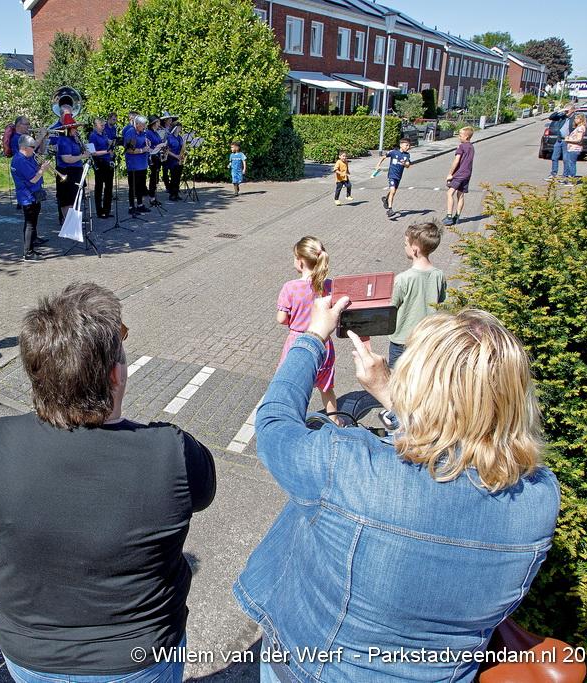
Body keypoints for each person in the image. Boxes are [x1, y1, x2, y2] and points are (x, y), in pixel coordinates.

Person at [235, 296, 559, 683]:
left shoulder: (350, 467)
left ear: (417, 382)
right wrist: (388, 395)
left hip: (311, 667)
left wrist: (313, 337)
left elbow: (274, 424)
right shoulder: (539, 498)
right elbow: (457, 444)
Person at [0, 282, 216, 681]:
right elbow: (203, 494)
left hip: (31, 657)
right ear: (116, 374)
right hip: (141, 658)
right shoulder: (173, 452)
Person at [276, 236, 336, 417]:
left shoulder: (290, 287)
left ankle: (295, 419)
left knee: (294, 385)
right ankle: (335, 419)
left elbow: (281, 318)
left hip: (299, 342)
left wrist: (293, 321)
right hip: (324, 342)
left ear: (300, 261)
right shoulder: (329, 285)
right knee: (326, 387)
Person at [388, 220, 447, 367]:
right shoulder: (439, 275)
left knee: (397, 375)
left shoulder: (403, 279)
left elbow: (392, 306)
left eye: (405, 244)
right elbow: (440, 300)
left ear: (414, 250)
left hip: (402, 340)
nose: (404, 247)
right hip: (426, 338)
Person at [11, 136, 51, 261]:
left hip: (33, 194)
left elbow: (34, 171)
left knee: (33, 223)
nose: (34, 150)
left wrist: (40, 166)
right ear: (24, 148)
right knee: (30, 224)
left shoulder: (27, 158)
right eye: (32, 147)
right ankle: (28, 253)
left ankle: (32, 246)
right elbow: (33, 179)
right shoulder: (20, 161)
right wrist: (42, 170)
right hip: (27, 196)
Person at [54, 119, 91, 222]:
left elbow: (78, 152)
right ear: (68, 129)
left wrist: (81, 144)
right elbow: (67, 159)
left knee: (75, 197)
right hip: (67, 171)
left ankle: (73, 221)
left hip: (76, 171)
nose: (76, 130)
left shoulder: (74, 139)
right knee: (67, 199)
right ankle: (68, 221)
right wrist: (83, 156)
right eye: (74, 128)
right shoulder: (63, 140)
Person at [443, 127, 475, 226]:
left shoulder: (461, 147)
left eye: (460, 135)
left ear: (466, 137)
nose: (459, 137)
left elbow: (456, 161)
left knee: (449, 193)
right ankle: (457, 217)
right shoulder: (471, 147)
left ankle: (449, 217)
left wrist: (450, 174)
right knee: (460, 195)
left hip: (459, 174)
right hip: (467, 174)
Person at [375, 138, 412, 218]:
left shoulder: (407, 155)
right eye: (406, 145)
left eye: (409, 146)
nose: (408, 147)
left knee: (393, 191)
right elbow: (384, 157)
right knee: (392, 191)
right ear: (401, 145)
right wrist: (378, 165)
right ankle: (390, 210)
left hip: (399, 176)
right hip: (392, 175)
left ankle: (386, 199)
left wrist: (404, 163)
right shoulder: (393, 152)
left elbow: (408, 165)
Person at [123, 115, 152, 216]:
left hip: (142, 163)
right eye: (143, 125)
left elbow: (143, 142)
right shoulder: (130, 133)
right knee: (133, 187)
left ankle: (140, 205)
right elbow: (129, 150)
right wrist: (142, 150)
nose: (144, 127)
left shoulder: (142, 132)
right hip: (133, 164)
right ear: (137, 124)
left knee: (141, 186)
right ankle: (131, 207)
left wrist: (147, 143)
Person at [89, 118, 113, 218]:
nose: (103, 127)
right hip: (99, 162)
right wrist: (106, 152)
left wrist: (112, 144)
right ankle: (99, 211)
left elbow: (108, 144)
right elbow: (92, 152)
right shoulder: (93, 136)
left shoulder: (104, 134)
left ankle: (107, 210)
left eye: (104, 125)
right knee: (99, 187)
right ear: (95, 126)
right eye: (101, 125)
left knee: (109, 187)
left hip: (107, 162)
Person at [546, 104, 576, 179]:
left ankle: (565, 175)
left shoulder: (575, 118)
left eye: (568, 110)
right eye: (566, 110)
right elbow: (551, 117)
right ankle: (553, 173)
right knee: (554, 157)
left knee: (566, 159)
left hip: (568, 141)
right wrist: (560, 111)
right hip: (559, 140)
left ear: (573, 110)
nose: (566, 112)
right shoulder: (563, 117)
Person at [145, 116, 165, 208]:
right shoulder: (148, 133)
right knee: (153, 177)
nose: (159, 124)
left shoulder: (156, 132)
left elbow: (159, 142)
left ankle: (154, 197)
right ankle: (152, 197)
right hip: (152, 157)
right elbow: (148, 145)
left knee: (156, 177)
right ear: (153, 123)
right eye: (158, 122)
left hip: (157, 157)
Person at [563, 113, 587, 181]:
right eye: (575, 118)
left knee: (571, 164)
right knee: (568, 163)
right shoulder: (578, 127)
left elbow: (578, 139)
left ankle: (572, 180)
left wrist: (568, 140)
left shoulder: (581, 128)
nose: (575, 120)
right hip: (571, 148)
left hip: (575, 148)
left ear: (581, 119)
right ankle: (568, 179)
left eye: (577, 118)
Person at [163, 122, 184, 201]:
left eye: (180, 127)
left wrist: (183, 154)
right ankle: (172, 195)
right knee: (173, 178)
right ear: (174, 128)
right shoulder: (169, 137)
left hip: (179, 160)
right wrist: (176, 156)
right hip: (172, 160)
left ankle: (176, 193)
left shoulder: (180, 137)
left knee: (178, 178)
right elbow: (166, 150)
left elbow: (182, 148)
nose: (180, 129)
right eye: (178, 127)